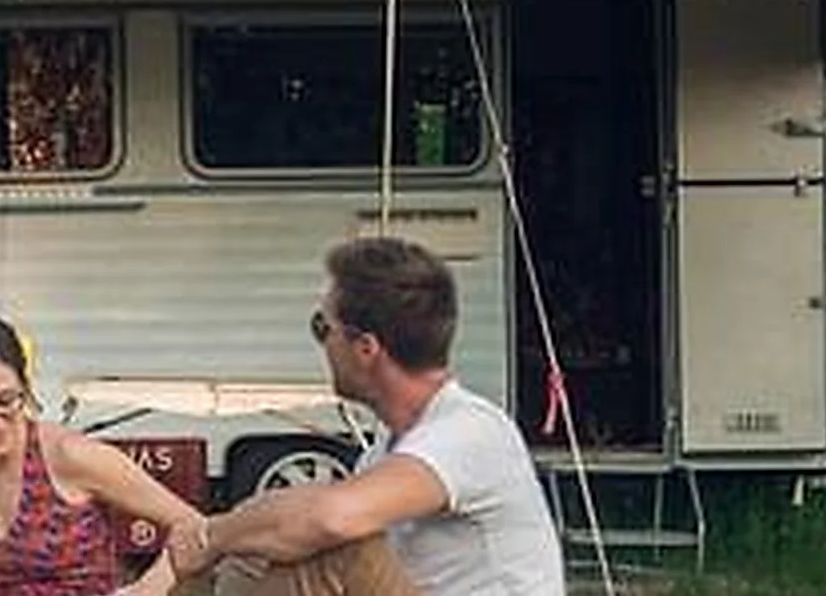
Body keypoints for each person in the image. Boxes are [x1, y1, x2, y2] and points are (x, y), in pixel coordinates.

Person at [167, 235, 565, 596]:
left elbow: (332, 518)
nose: (321, 345)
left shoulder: (470, 431)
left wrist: (211, 536)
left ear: (366, 348)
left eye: (322, 327)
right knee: (258, 548)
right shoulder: (386, 453)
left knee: (339, 544)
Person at [0, 312, 202, 596]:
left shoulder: (69, 456)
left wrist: (147, 589)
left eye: (6, 401)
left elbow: (196, 526)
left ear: (25, 388)